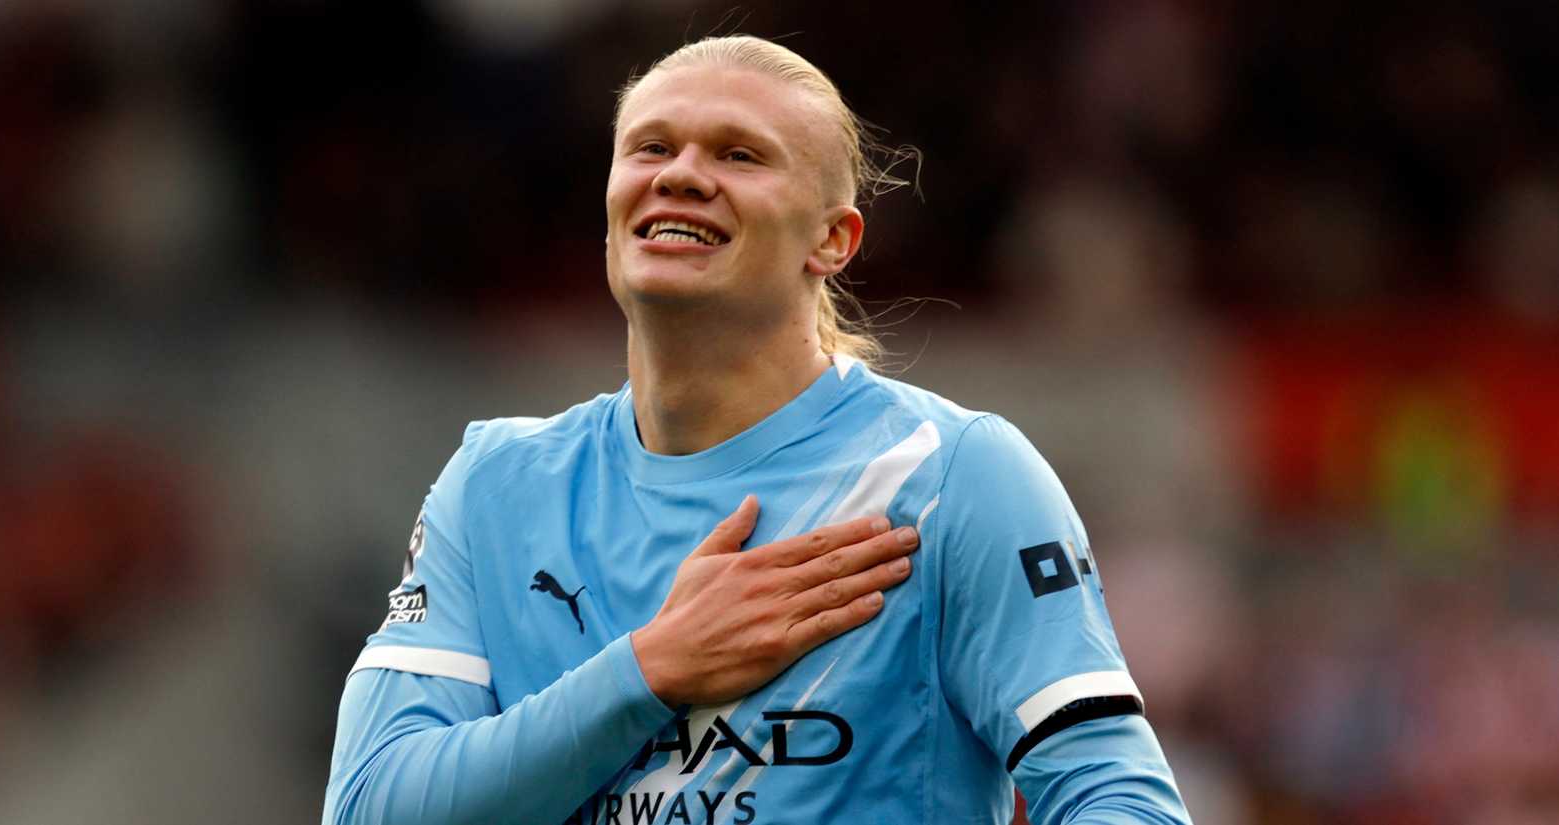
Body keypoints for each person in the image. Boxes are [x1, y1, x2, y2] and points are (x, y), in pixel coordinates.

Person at [322, 35, 1192, 825]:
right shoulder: (495, 485)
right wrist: (653, 669)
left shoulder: (952, 475)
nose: (682, 173)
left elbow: (1117, 797)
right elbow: (368, 807)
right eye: (652, 147)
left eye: (739, 155)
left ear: (835, 239)